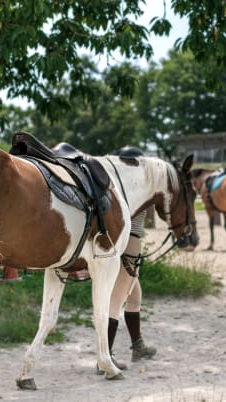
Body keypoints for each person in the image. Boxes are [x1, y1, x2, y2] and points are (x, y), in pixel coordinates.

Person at [97, 146, 156, 373]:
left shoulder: (114, 185)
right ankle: (105, 356)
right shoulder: (133, 189)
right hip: (129, 242)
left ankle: (137, 345)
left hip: (124, 241)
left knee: (134, 298)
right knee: (115, 301)